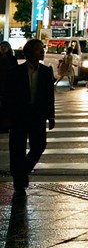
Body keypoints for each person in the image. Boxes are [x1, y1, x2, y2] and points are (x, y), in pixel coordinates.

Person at [5, 39, 55, 198]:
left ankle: (22, 172)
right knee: (17, 148)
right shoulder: (15, 72)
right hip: (19, 115)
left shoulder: (46, 72)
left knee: (39, 145)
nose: (42, 52)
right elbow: (8, 96)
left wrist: (51, 116)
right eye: (38, 50)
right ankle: (18, 180)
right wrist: (7, 115)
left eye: (42, 49)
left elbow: (49, 96)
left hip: (37, 115)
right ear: (29, 53)